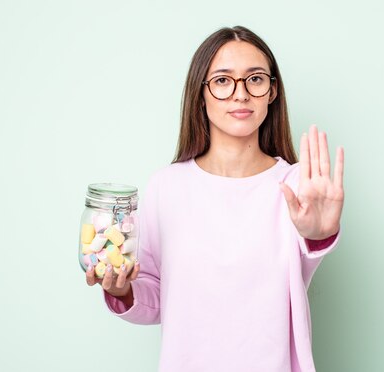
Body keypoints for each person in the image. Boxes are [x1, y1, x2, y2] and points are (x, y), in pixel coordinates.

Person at [85, 25, 345, 372]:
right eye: (223, 80)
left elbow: (304, 262)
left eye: (255, 79)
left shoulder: (298, 183)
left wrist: (318, 235)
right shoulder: (167, 186)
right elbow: (157, 297)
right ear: (200, 94)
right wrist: (122, 292)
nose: (241, 94)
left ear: (272, 91)